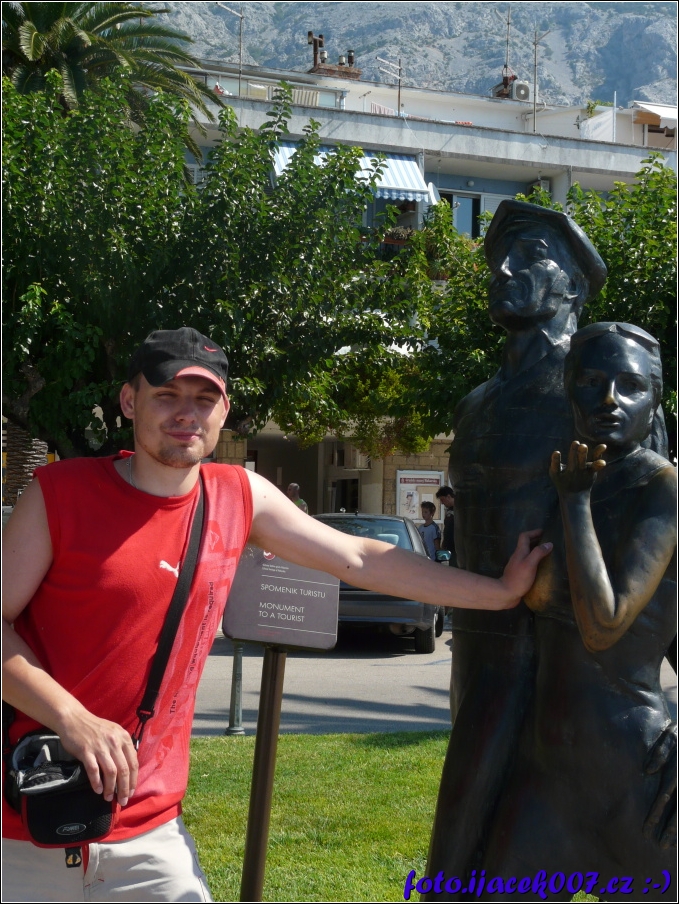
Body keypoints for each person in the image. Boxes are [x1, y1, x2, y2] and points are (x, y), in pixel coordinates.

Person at [2, 327, 552, 903]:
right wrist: (74, 718)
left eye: (204, 399)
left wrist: (499, 592)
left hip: (149, 828)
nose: (186, 414)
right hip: (27, 814)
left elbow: (360, 558)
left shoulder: (238, 495)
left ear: (224, 412)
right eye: (166, 395)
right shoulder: (60, 493)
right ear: (128, 400)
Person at [426, 200, 608, 895]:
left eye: (530, 255)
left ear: (574, 282)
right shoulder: (475, 404)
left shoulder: (599, 397)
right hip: (476, 656)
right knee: (464, 850)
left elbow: (654, 542)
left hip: (557, 668)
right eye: (498, 258)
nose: (502, 270)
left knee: (515, 860)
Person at [482, 323, 676, 897]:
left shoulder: (659, 490)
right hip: (547, 772)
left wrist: (575, 501)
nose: (609, 399)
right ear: (569, 391)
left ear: (654, 399)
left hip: (633, 776)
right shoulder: (563, 480)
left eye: (630, 385)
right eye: (591, 381)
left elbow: (604, 625)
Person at [435, 486, 457, 566]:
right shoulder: (449, 510)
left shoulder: (459, 510)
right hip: (449, 548)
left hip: (457, 548)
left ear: (448, 496)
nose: (442, 503)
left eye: (442, 500)